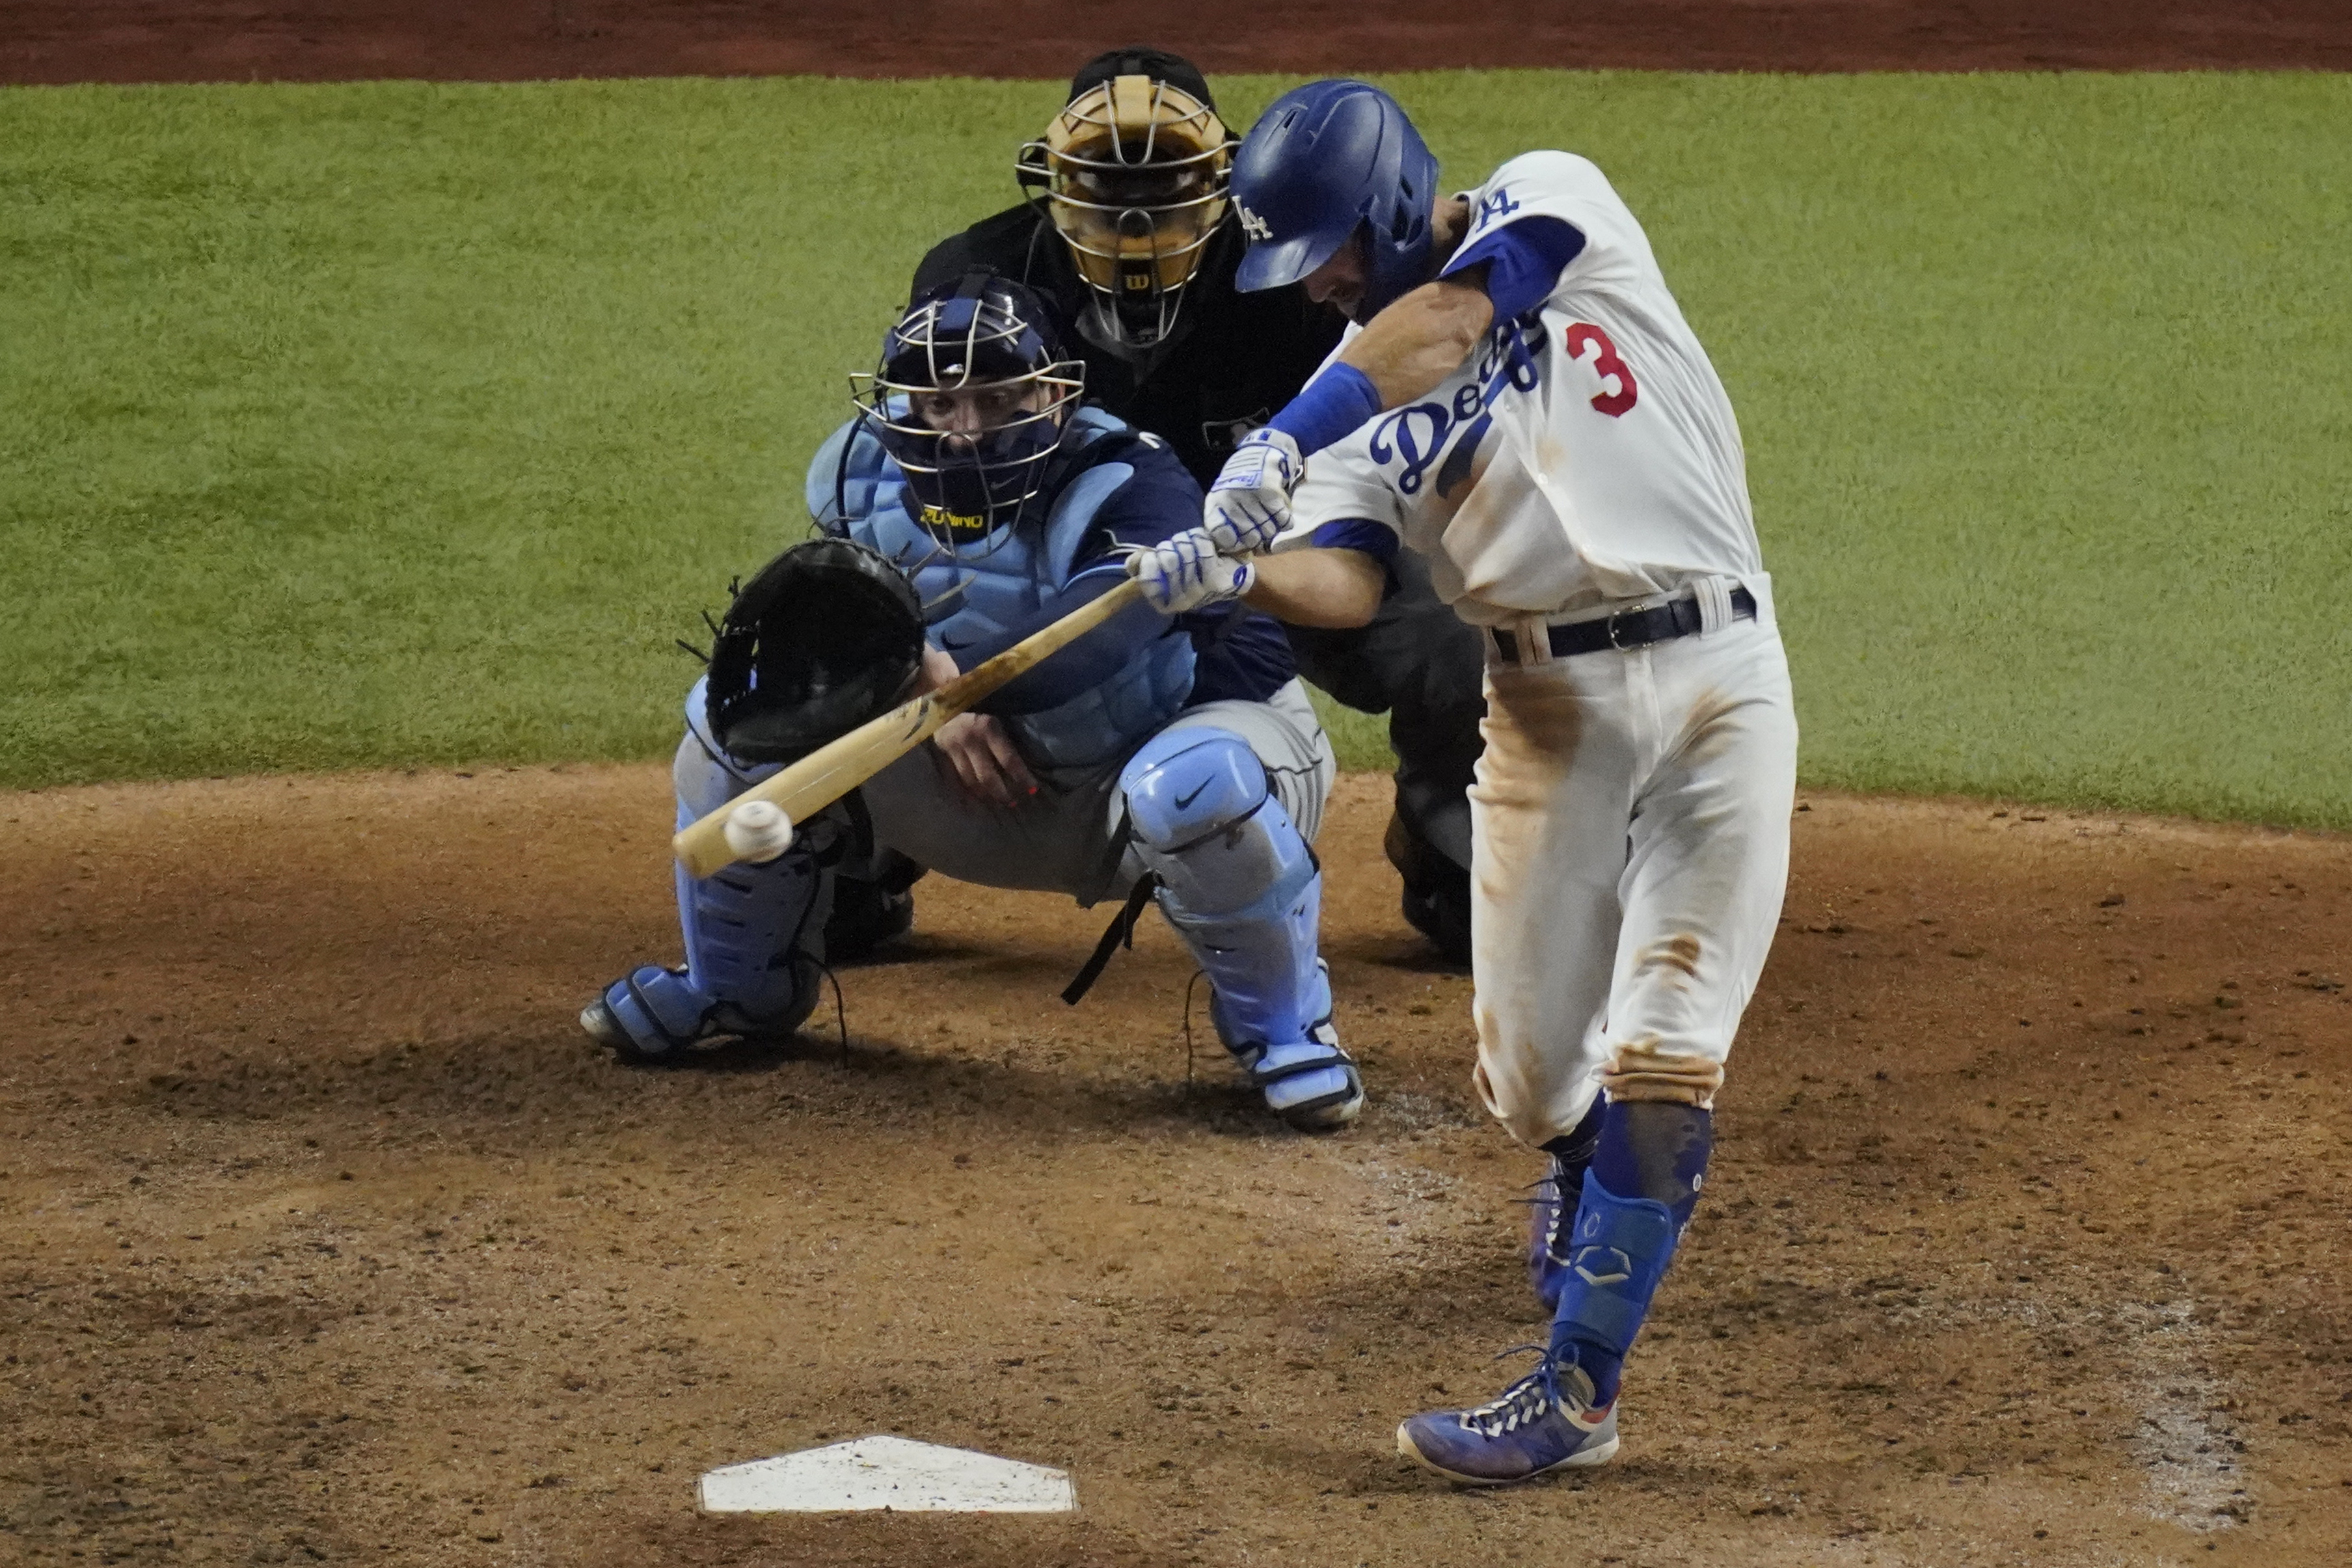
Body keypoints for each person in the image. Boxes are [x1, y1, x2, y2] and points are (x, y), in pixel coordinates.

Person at [1130, 80, 1799, 1481]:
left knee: (1666, 1043)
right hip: (1545, 712)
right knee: (1535, 1079)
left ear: (1384, 206)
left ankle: (1576, 1390)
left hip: (1718, 679)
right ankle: (1580, 1164)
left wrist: (1278, 436)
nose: (1312, 285)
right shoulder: (1350, 408)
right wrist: (1235, 573)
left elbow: (1447, 320)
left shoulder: (1547, 196)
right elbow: (1343, 580)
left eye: (1324, 253)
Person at [582, 272, 1363, 1133]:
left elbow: (1095, 642)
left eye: (997, 399)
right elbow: (826, 638)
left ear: (1055, 396)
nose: (963, 430)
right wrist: (918, 674)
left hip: (1157, 768)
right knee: (734, 718)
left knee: (1193, 784)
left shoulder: (1132, 480)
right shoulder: (858, 474)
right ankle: (733, 988)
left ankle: (1286, 1029)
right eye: (938, 402)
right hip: (986, 791)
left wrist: (953, 693)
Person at [863, 45, 1489, 963]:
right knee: (906, 630)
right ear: (1054, 184)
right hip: (1065, 572)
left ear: (1225, 183)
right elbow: (919, 487)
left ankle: (1453, 857)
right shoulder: (982, 278)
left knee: (1449, 621)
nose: (1135, 218)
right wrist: (945, 675)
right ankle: (861, 859)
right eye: (1105, 188)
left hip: (1276, 559)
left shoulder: (1298, 272)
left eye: (1166, 189)